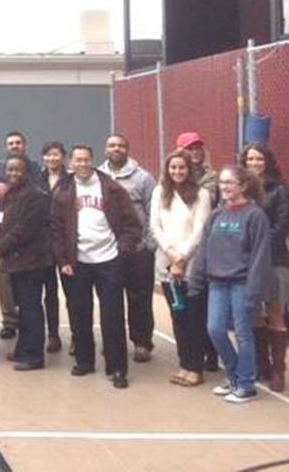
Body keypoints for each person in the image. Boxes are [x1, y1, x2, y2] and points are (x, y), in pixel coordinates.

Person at [50, 145, 141, 389]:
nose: (81, 164)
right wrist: (63, 261)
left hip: (109, 259)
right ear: (71, 162)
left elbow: (133, 224)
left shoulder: (111, 187)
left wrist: (123, 250)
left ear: (92, 161)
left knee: (112, 316)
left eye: (86, 159)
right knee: (79, 314)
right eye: (77, 160)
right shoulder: (63, 189)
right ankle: (84, 360)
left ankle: (117, 367)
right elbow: (56, 230)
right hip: (76, 262)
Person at [192, 165, 271, 403]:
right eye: (222, 182)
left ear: (244, 186)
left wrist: (253, 291)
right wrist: (195, 277)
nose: (224, 187)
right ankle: (234, 374)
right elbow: (205, 248)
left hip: (242, 283)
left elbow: (260, 255)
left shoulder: (255, 215)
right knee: (215, 329)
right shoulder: (217, 214)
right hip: (217, 282)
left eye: (230, 183)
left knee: (243, 334)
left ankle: (246, 385)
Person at [150, 149, 212, 387]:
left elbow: (200, 231)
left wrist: (182, 259)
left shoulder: (201, 194)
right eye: (173, 167)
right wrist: (172, 256)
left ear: (190, 170)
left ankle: (196, 368)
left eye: (182, 167)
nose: (177, 171)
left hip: (192, 266)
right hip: (166, 265)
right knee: (178, 317)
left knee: (194, 318)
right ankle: (184, 364)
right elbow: (155, 227)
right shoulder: (159, 192)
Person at [99, 134, 158, 363]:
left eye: (121, 145)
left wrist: (149, 245)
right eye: (112, 145)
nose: (116, 149)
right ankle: (113, 342)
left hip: (137, 249)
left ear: (128, 149)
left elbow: (153, 211)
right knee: (110, 299)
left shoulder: (144, 178)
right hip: (107, 250)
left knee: (139, 298)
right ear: (105, 150)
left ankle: (142, 342)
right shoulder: (97, 177)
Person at [0, 154, 53, 371]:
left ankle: (33, 355)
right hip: (17, 261)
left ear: (27, 172)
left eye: (18, 170)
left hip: (32, 261)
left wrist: (0, 246)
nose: (13, 173)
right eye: (10, 170)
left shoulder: (35, 195)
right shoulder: (11, 194)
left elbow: (25, 228)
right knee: (23, 308)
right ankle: (23, 349)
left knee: (31, 308)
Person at [241, 143, 289, 392]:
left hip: (274, 260)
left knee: (276, 314)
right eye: (250, 159)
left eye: (259, 159)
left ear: (267, 162)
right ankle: (262, 365)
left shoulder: (279, 191)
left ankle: (279, 370)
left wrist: (257, 242)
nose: (254, 163)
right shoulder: (240, 191)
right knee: (254, 315)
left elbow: (281, 227)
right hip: (246, 262)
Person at [0, 131, 42, 340]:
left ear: (24, 145)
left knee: (29, 297)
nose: (14, 145)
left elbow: (27, 223)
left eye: (17, 142)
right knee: (6, 285)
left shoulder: (36, 171)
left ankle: (31, 339)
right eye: (10, 143)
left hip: (27, 245)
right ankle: (10, 322)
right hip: (4, 238)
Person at [38, 141, 67, 352]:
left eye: (55, 155)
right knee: (49, 292)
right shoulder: (36, 179)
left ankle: (77, 336)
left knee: (73, 292)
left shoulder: (72, 180)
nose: (52, 159)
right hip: (42, 245)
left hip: (66, 243)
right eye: (48, 155)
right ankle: (53, 334)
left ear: (63, 157)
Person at [177, 132, 219, 205]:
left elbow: (208, 200)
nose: (195, 152)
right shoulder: (172, 175)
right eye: (190, 149)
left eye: (198, 148)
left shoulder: (210, 176)